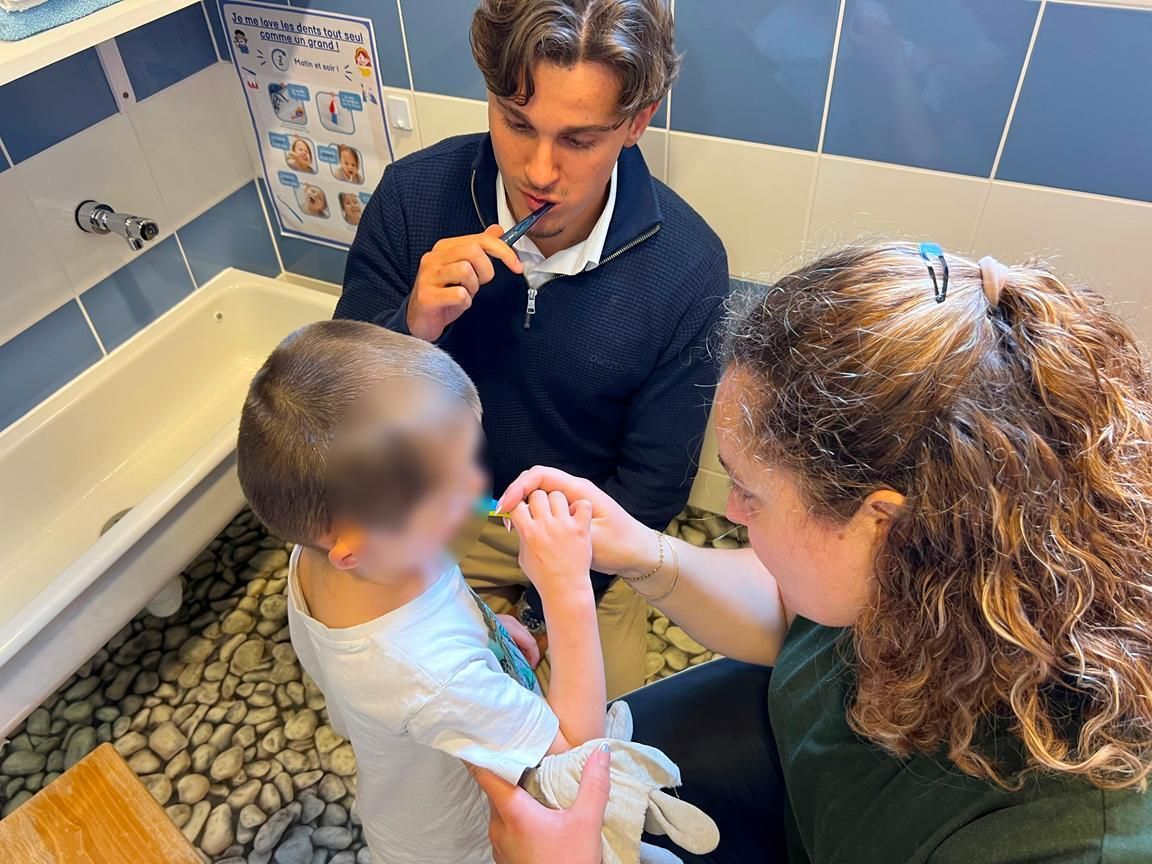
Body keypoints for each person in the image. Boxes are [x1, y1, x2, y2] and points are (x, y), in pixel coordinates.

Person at [482, 243, 1152, 862]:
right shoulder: (951, 546)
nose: (731, 513)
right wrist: (643, 552)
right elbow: (789, 607)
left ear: (883, 525)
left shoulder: (1059, 836)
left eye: (750, 493)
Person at [334, 0, 728, 699]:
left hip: (592, 534)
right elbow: (334, 409)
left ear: (637, 123)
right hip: (440, 511)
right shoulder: (412, 197)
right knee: (405, 703)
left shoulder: (689, 264)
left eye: (579, 140)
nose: (539, 172)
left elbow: (656, 480)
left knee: (594, 740)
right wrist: (410, 327)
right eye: (517, 123)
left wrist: (552, 610)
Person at [235, 320, 605, 864]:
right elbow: (574, 769)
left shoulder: (326, 559)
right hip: (468, 845)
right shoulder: (435, 675)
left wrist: (485, 630)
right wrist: (569, 592)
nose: (480, 490)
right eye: (447, 496)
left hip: (402, 809)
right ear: (354, 548)